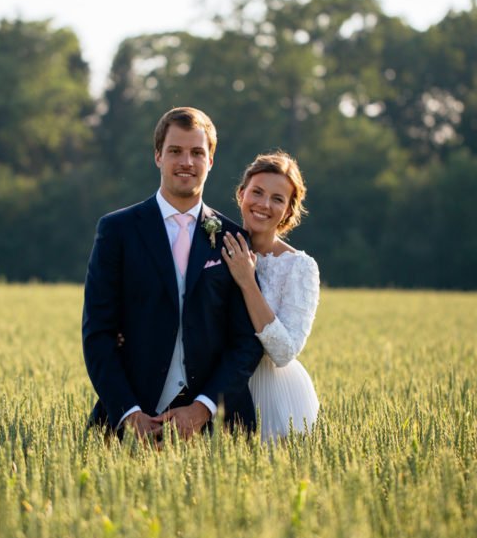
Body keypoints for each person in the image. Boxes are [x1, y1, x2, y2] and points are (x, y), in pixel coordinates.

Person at [82, 107, 263, 441]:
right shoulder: (117, 231)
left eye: (197, 153)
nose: (186, 162)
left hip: (218, 428)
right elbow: (98, 334)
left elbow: (246, 342)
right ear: (158, 156)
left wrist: (203, 409)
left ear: (211, 160)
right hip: (130, 422)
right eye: (175, 151)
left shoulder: (234, 238)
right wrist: (129, 413)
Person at [220, 152, 320, 442]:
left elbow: (284, 352)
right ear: (241, 194)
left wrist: (247, 282)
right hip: (218, 387)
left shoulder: (300, 267)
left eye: (277, 199)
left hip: (276, 396)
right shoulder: (215, 247)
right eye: (257, 192)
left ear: (288, 211)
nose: (264, 204)